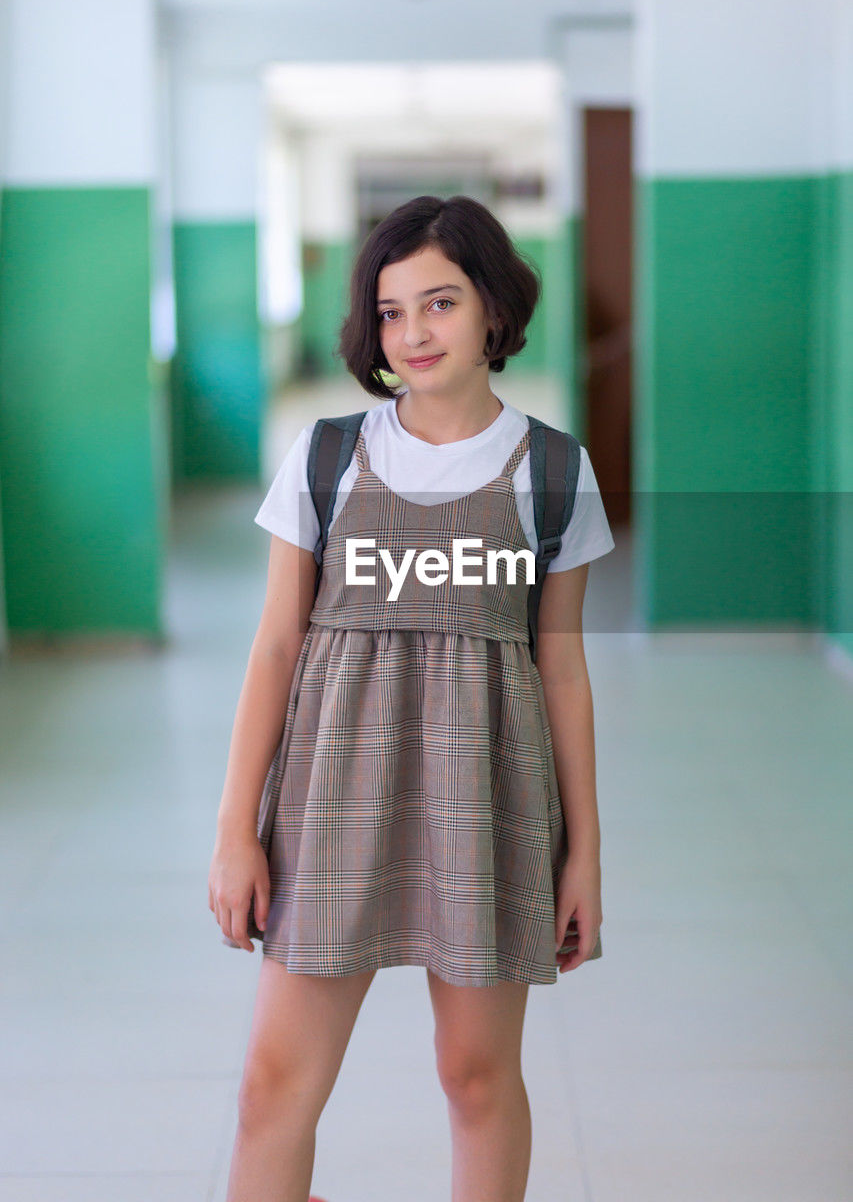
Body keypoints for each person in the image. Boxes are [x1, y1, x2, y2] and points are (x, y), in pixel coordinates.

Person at [209, 194, 615, 1201]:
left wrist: (585, 853)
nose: (413, 333)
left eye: (438, 302)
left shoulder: (554, 470)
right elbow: (273, 647)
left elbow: (559, 667)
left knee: (475, 1076)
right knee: (274, 1087)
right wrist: (234, 827)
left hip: (485, 793)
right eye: (391, 312)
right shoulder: (325, 455)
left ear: (492, 307)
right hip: (330, 789)